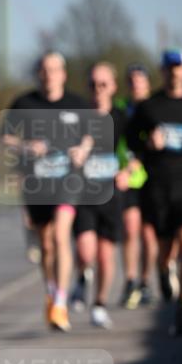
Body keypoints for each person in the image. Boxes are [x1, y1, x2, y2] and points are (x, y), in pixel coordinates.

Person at [4, 53, 92, 332]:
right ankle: (52, 291)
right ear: (38, 73)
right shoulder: (24, 103)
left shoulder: (78, 104)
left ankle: (61, 303)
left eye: (54, 69)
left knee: (61, 233)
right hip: (37, 183)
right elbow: (6, 136)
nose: (49, 74)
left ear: (63, 74)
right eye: (44, 69)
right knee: (46, 243)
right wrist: (25, 147)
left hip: (68, 181)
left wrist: (83, 150)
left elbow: (92, 134)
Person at [127, 48, 182, 336]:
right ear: (162, 71)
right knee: (165, 253)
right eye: (169, 67)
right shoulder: (150, 107)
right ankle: (163, 271)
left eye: (179, 66)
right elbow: (130, 141)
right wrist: (147, 145)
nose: (174, 71)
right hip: (159, 187)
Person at [71, 63, 126, 329]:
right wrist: (75, 153)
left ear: (113, 87)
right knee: (85, 251)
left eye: (103, 84)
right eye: (93, 84)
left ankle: (100, 304)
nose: (98, 90)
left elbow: (136, 151)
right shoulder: (79, 117)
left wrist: (129, 169)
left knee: (106, 256)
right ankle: (82, 278)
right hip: (84, 194)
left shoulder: (122, 117)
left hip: (112, 195)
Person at [118, 64, 156, 308]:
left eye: (140, 81)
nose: (136, 85)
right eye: (132, 81)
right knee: (131, 230)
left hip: (153, 177)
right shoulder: (121, 109)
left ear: (148, 83)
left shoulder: (156, 107)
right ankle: (130, 280)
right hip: (128, 178)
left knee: (149, 234)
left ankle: (145, 282)